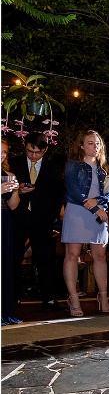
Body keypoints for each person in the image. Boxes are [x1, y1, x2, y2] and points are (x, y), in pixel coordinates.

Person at [61, 130, 109, 316]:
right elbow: (73, 190)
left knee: (100, 256)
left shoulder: (105, 168)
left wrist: (99, 201)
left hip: (98, 212)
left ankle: (103, 297)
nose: (96, 147)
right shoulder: (73, 165)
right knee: (73, 255)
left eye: (98, 143)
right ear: (82, 145)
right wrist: (95, 208)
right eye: (91, 143)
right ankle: (73, 298)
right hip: (77, 210)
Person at [9, 132, 65, 311]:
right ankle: (13, 297)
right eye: (29, 151)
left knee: (45, 259)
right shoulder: (14, 163)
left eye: (37, 152)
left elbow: (57, 196)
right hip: (18, 217)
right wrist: (18, 190)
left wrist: (52, 219)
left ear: (45, 150)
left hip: (42, 220)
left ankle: (49, 299)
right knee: (14, 257)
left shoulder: (53, 168)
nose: (33, 155)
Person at [2, 139, 22, 325]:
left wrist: (15, 191)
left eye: (4, 152)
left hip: (4, 221)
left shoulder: (8, 175)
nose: (2, 155)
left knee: (5, 266)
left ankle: (4, 311)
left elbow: (13, 206)